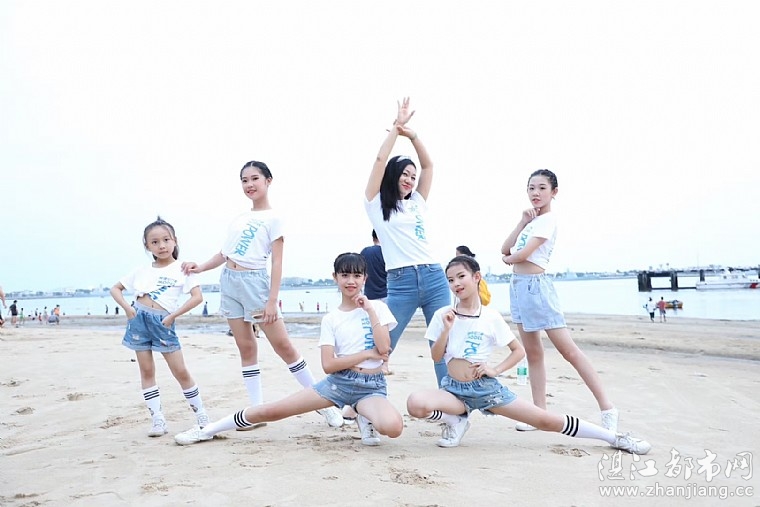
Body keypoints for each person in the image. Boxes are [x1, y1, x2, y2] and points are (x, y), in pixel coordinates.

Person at [406, 256, 650, 454]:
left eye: (461, 277)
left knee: (545, 421)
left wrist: (495, 370)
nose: (456, 284)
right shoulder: (443, 315)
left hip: (485, 389)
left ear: (476, 277)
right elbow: (436, 357)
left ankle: (614, 437)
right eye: (451, 280)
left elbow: (518, 350)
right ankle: (457, 420)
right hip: (453, 389)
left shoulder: (490, 317)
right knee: (415, 404)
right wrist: (446, 329)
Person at [174, 252, 403, 446]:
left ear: (365, 278)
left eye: (357, 275)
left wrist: (369, 310)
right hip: (339, 383)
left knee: (393, 428)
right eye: (345, 275)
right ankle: (207, 430)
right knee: (271, 411)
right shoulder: (331, 319)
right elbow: (328, 365)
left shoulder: (378, 308)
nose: (351, 281)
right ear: (335, 277)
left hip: (371, 387)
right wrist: (366, 354)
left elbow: (384, 348)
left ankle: (362, 413)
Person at [182, 160, 342, 428]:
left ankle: (323, 404)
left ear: (268, 180)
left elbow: (277, 262)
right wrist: (200, 267)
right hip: (229, 283)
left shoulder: (274, 218)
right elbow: (224, 254)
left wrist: (271, 301)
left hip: (255, 283)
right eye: (244, 180)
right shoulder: (239, 219)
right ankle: (256, 412)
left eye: (254, 178)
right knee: (246, 347)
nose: (249, 184)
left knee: (283, 346)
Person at [500, 169, 619, 433]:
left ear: (554, 192)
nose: (535, 193)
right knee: (533, 353)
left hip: (536, 288)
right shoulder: (531, 222)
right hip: (518, 287)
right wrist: (521, 223)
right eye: (531, 188)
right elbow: (505, 247)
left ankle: (607, 407)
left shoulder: (548, 220)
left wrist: (508, 258)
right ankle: (539, 414)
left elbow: (521, 254)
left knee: (569, 351)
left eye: (542, 188)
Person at [364, 97, 451, 386]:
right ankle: (362, 394)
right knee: (383, 343)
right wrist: (396, 129)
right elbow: (379, 161)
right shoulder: (377, 204)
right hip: (401, 282)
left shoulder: (418, 203)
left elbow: (429, 166)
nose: (410, 180)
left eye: (413, 177)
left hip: (434, 276)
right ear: (393, 175)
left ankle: (450, 400)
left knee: (442, 343)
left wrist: (412, 135)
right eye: (405, 174)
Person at [109, 216, 210, 437]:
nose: (161, 245)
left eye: (166, 240)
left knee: (180, 371)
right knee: (146, 370)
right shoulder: (141, 270)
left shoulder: (183, 269)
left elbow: (197, 297)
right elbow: (115, 288)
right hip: (138, 320)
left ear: (175, 241)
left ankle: (201, 415)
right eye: (155, 242)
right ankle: (157, 419)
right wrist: (127, 309)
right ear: (147, 246)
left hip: (163, 321)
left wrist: (173, 315)